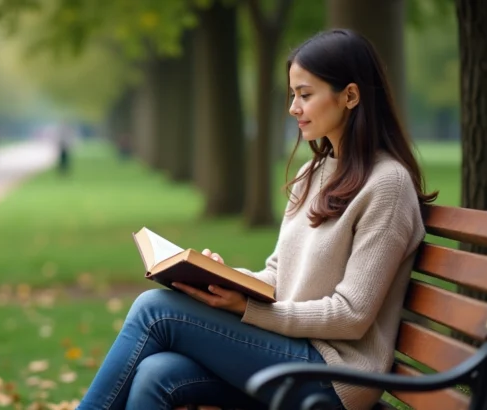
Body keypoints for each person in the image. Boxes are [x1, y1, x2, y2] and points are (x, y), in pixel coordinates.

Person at [76, 29, 437, 410]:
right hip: (291, 352)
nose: (293, 108)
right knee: (156, 374)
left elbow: (352, 316)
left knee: (155, 310)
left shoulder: (387, 185)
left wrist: (249, 308)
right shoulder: (312, 173)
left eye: (305, 94)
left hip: (336, 377)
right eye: (293, 94)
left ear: (349, 95)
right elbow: (279, 274)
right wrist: (224, 279)